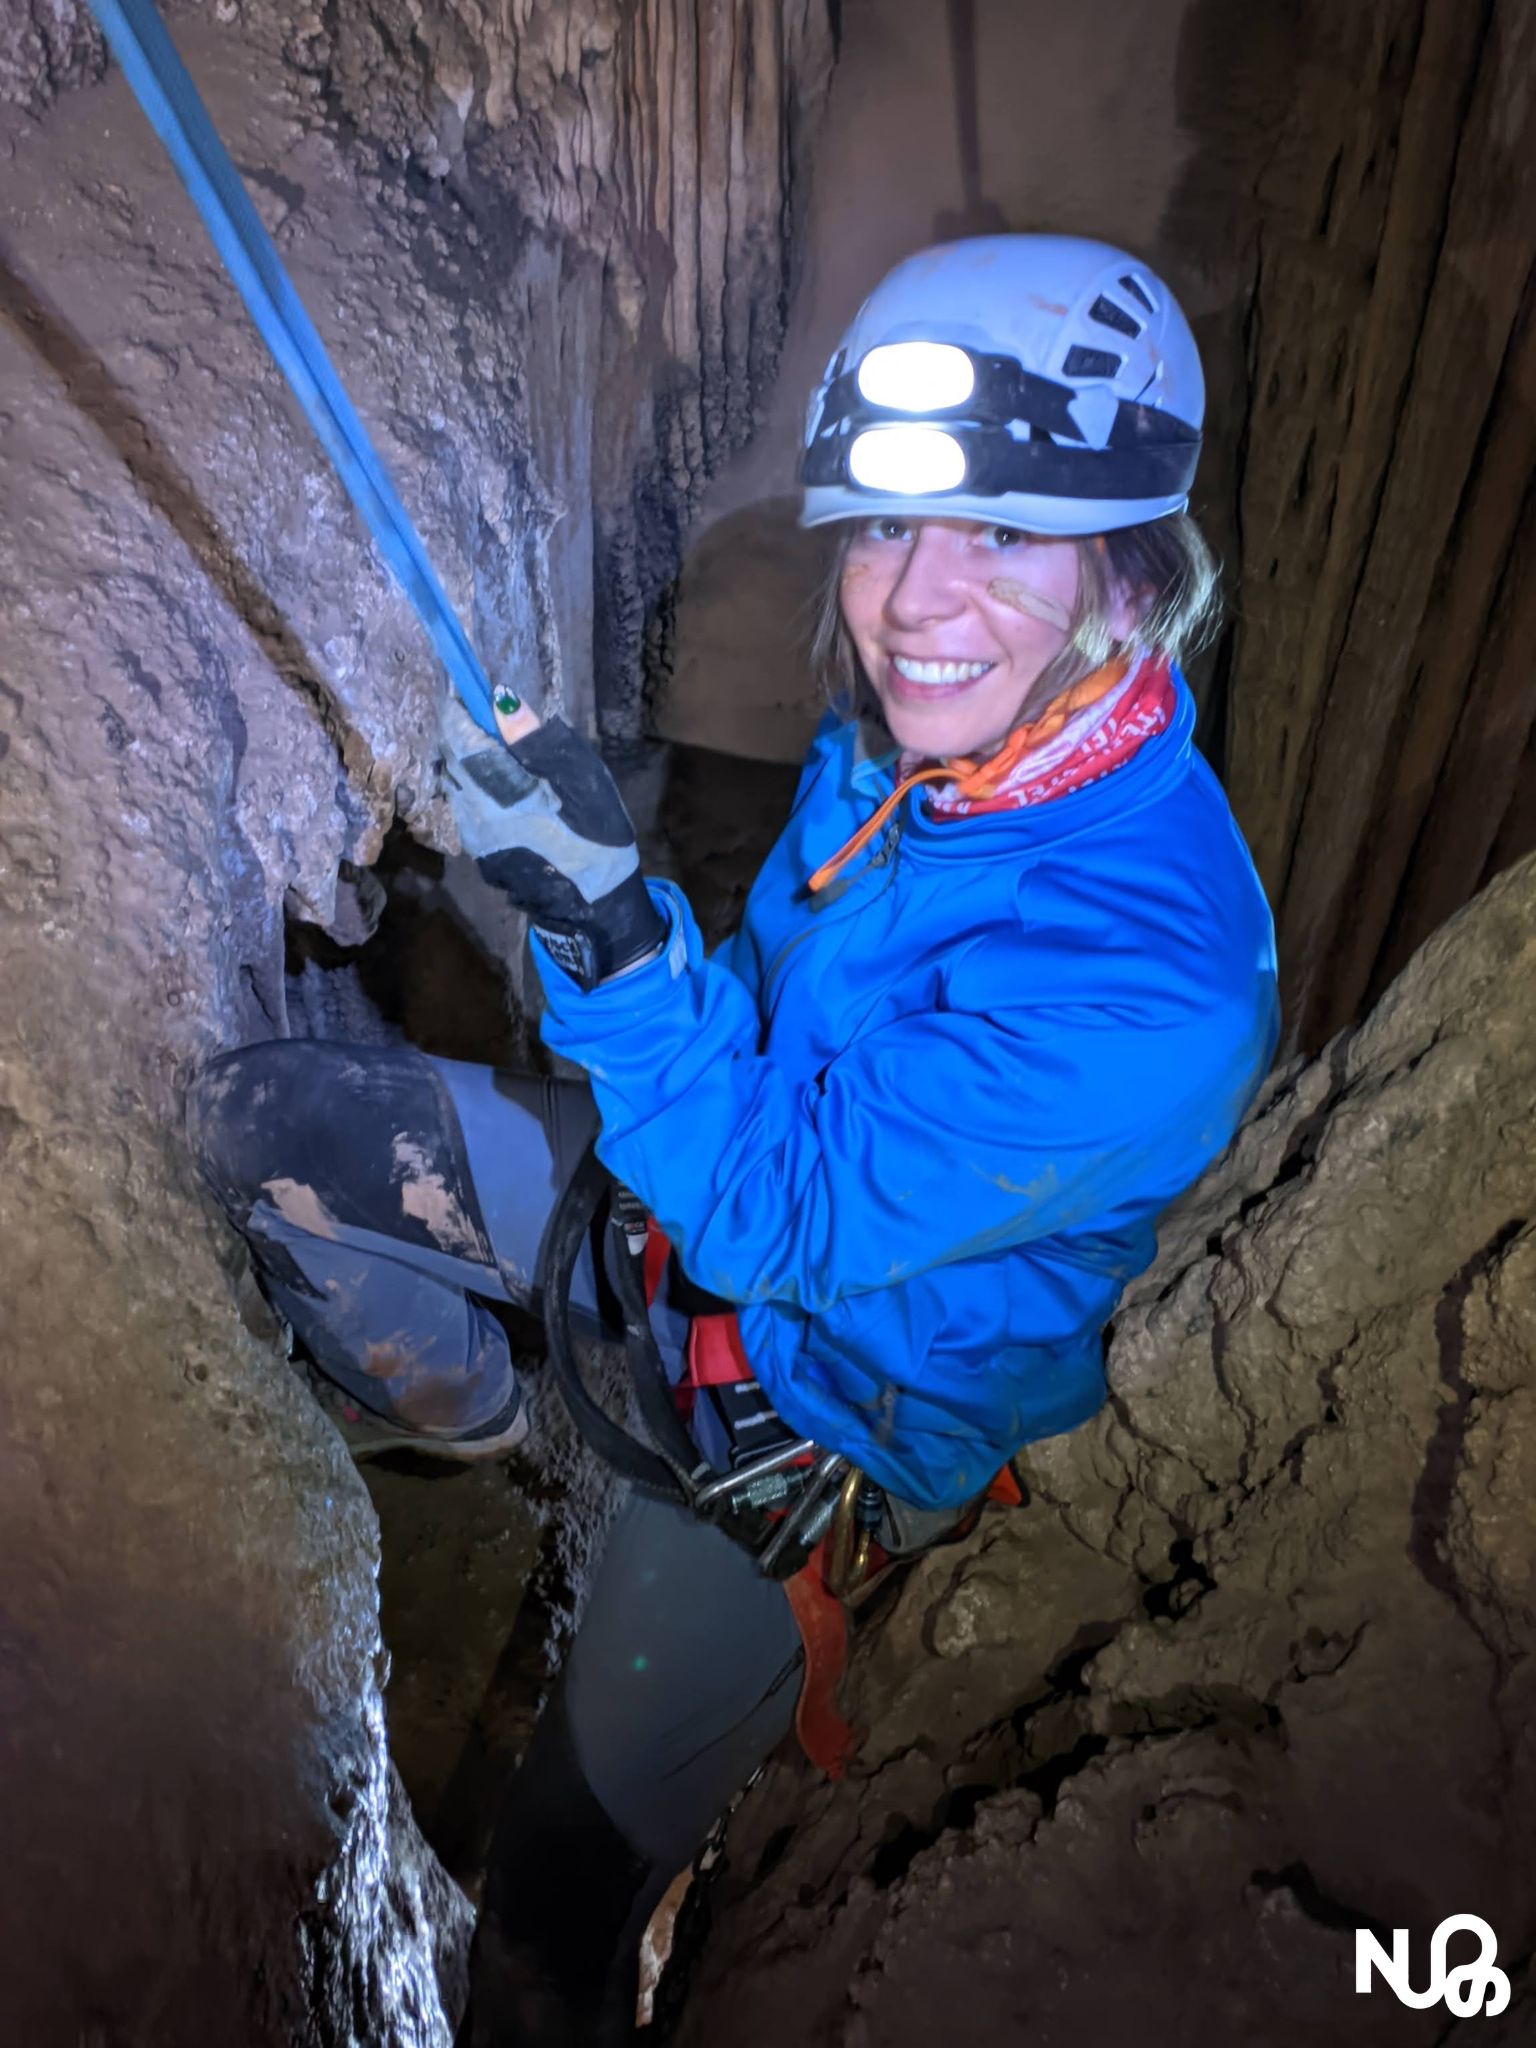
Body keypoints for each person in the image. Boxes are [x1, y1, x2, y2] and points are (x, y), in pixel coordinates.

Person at [188, 234, 1278, 2042]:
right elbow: (751, 1047)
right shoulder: (906, 752)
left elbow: (781, 1204)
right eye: (883, 531)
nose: (915, 601)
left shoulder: (1153, 977)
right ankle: (462, 1409)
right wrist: (602, 901)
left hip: (809, 1417)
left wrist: (615, 936)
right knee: (263, 1123)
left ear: (1126, 571)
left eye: (1000, 533)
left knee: (535, 1948)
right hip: (669, 1215)